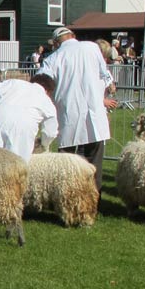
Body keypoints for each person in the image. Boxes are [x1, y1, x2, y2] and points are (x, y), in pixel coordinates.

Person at [37, 27, 115, 191]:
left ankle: (69, 197)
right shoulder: (92, 47)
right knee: (94, 163)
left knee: (67, 164)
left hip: (68, 115)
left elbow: (42, 82)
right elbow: (104, 73)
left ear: (57, 43)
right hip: (94, 112)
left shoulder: (52, 59)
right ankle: (94, 199)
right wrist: (109, 85)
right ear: (73, 36)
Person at [0, 74, 58, 162]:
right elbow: (50, 132)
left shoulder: (16, 83)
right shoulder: (47, 102)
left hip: (0, 119)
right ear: (48, 91)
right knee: (15, 166)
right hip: (23, 129)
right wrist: (44, 144)